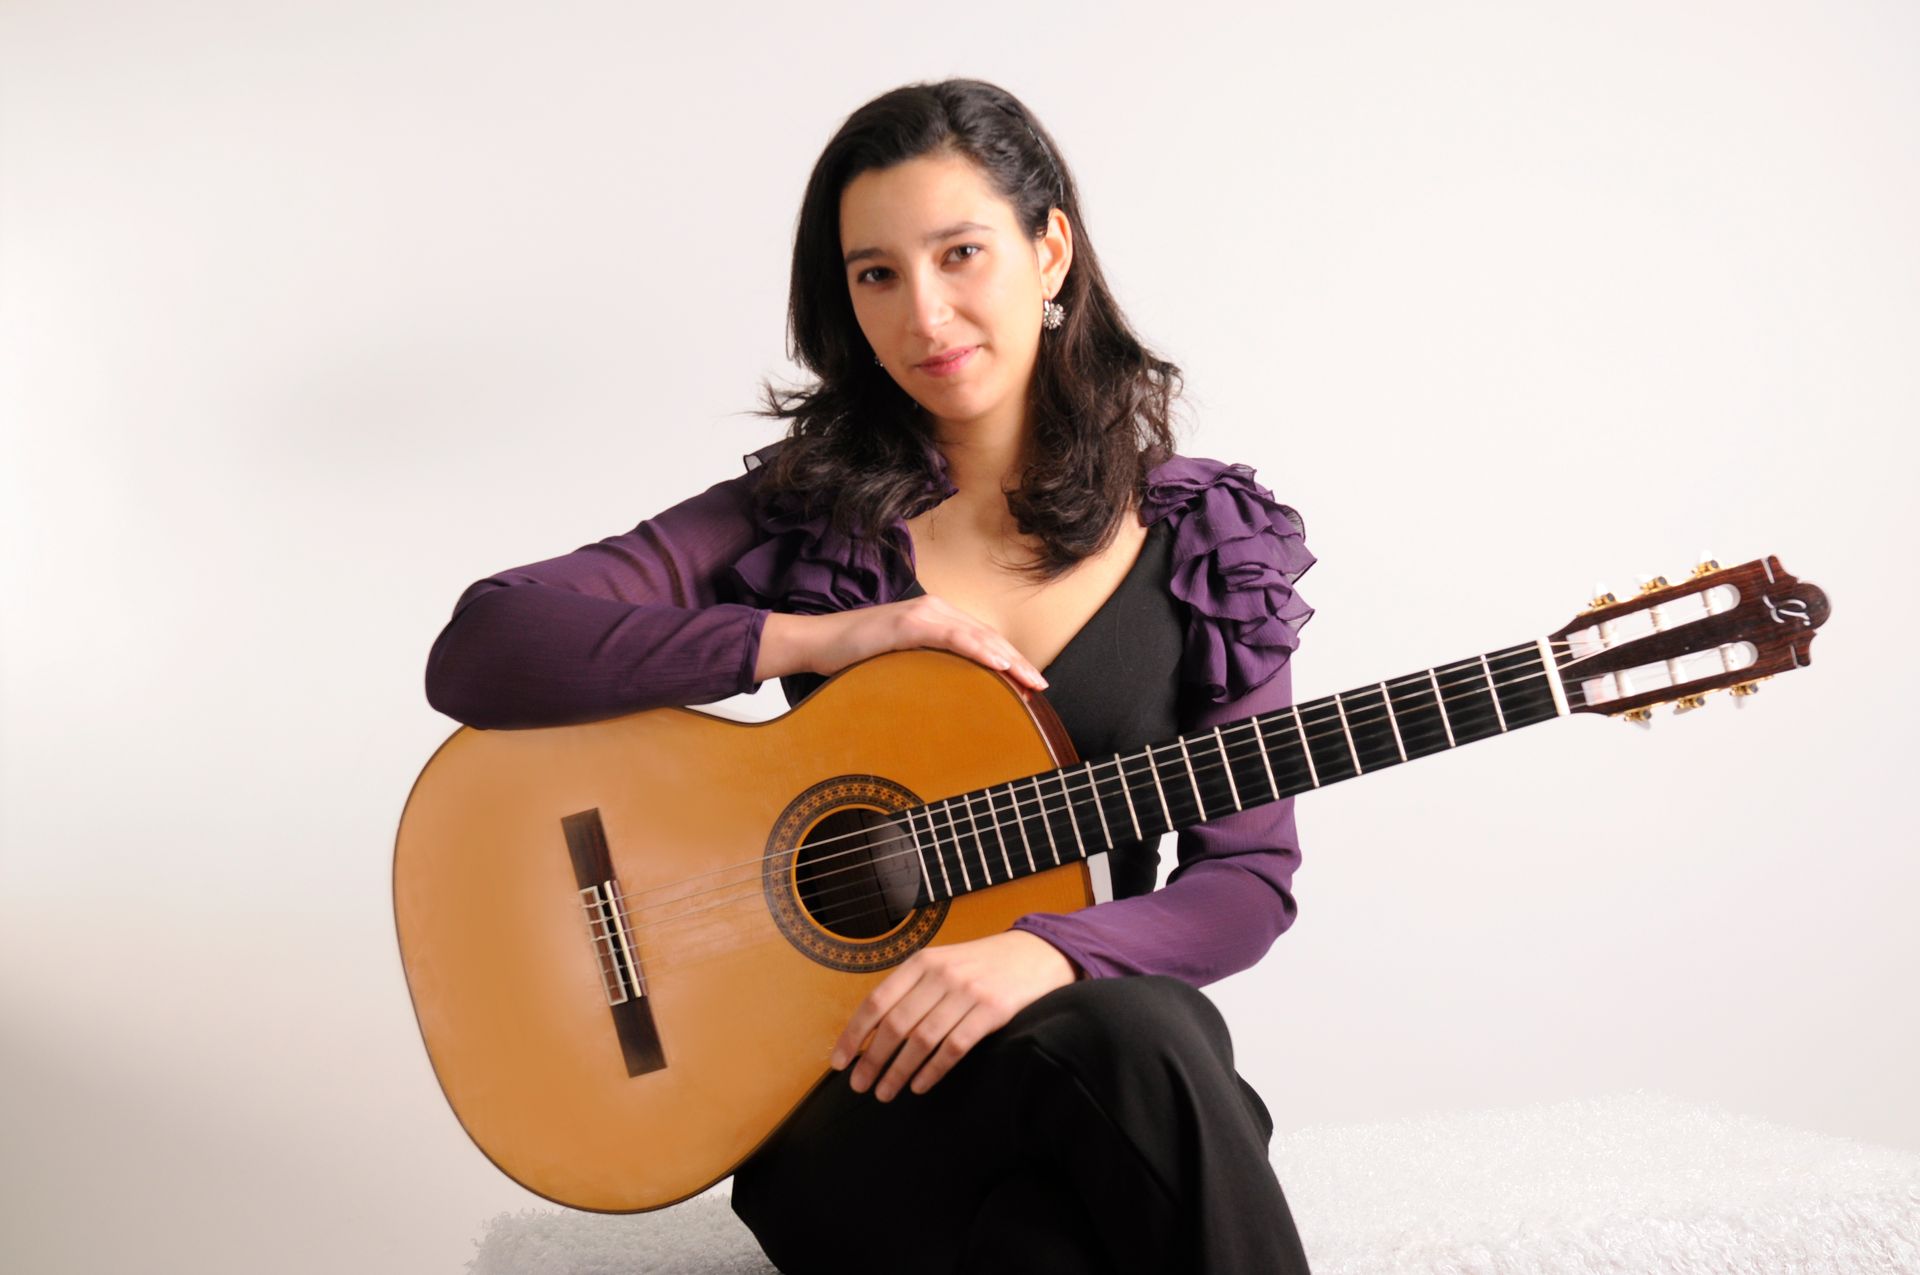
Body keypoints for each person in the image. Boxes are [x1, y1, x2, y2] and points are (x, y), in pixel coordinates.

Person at [424, 78, 1315, 1275]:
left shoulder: (1206, 543)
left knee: (1117, 1080)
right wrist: (816, 639)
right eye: (877, 274)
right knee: (1144, 1064)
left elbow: (1246, 879)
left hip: (1087, 1064)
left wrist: (1048, 951)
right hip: (843, 1101)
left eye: (961, 253)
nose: (925, 313)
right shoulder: (803, 519)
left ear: (1050, 251)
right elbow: (486, 644)